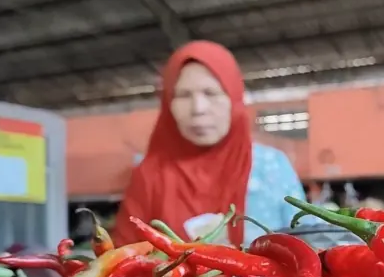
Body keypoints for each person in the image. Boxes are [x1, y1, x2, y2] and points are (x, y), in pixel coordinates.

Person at [113, 41, 307, 247]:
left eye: (211, 93)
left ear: (234, 98)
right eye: (183, 95)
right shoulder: (149, 175)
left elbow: (310, 245)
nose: (198, 108)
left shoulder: (272, 167)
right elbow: (122, 257)